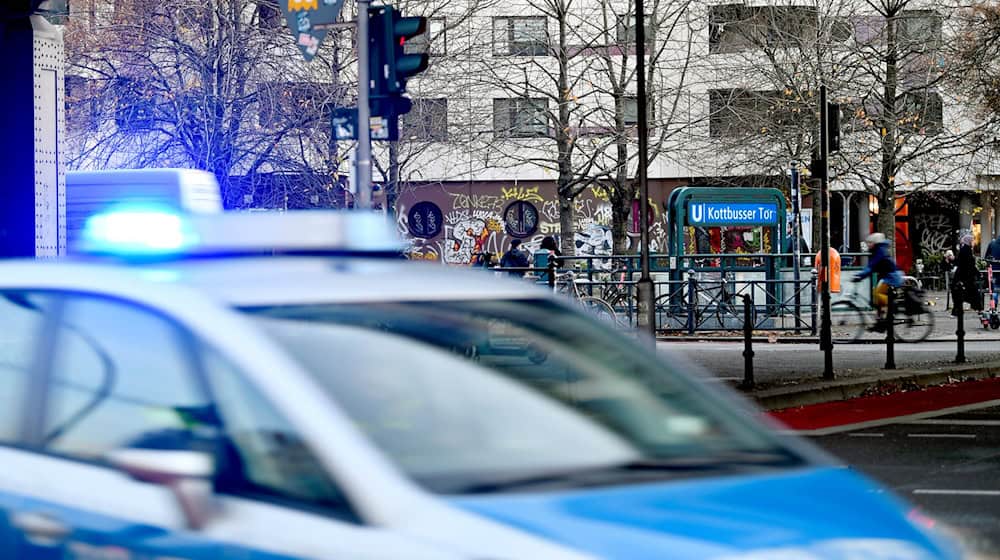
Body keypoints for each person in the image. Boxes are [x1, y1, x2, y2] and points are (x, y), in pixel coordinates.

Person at [852, 232, 902, 330]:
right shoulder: (880, 250)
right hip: (890, 276)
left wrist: (860, 276)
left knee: (877, 294)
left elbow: (871, 266)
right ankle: (880, 320)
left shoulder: (879, 251)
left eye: (870, 242)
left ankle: (892, 306)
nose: (868, 245)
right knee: (877, 296)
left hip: (892, 278)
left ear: (875, 243)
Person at [952, 233, 983, 316]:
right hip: (966, 276)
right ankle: (979, 309)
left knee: (961, 294)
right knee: (973, 293)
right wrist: (977, 273)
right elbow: (970, 264)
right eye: (972, 240)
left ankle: (957, 311)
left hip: (962, 276)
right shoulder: (967, 250)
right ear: (968, 241)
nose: (973, 242)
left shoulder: (964, 249)